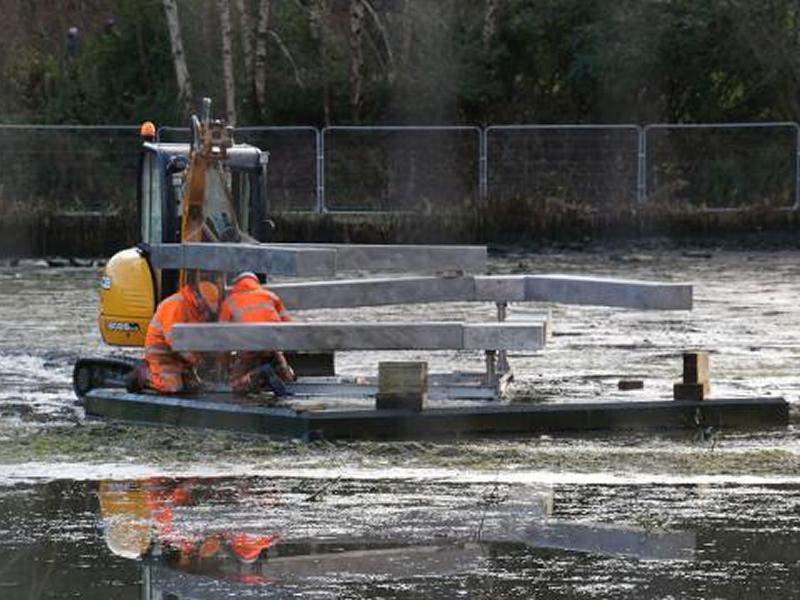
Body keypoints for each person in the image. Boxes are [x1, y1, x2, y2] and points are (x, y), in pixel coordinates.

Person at [128, 280, 221, 394]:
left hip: (179, 355)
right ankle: (143, 374)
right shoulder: (176, 305)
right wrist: (196, 360)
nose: (206, 311)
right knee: (172, 388)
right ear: (198, 297)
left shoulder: (195, 310)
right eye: (206, 306)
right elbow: (174, 341)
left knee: (193, 387)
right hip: (162, 355)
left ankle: (181, 375)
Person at [218, 272, 295, 393]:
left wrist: (226, 363)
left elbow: (221, 337)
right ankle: (286, 374)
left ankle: (259, 374)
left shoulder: (229, 302)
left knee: (237, 386)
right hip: (272, 346)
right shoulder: (271, 296)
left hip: (249, 349)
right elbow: (290, 327)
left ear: (236, 284)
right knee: (285, 378)